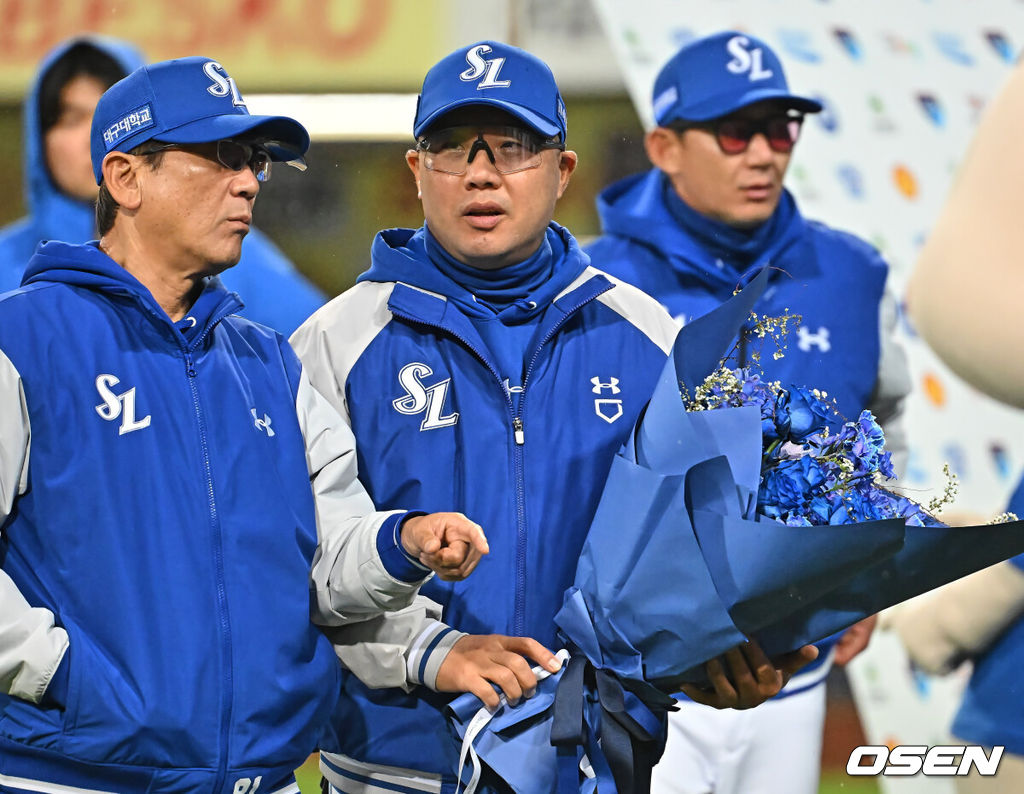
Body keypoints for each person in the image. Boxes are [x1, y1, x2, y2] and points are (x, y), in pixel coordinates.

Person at [0, 55, 545, 793]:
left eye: (254, 159)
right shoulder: (24, 340)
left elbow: (326, 563)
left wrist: (400, 543)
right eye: (222, 157)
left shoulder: (267, 364)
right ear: (126, 178)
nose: (250, 180)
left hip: (262, 778)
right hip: (73, 777)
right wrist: (57, 670)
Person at [291, 40, 816, 794]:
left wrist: (720, 654)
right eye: (451, 147)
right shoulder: (334, 343)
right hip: (394, 765)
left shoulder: (649, 336)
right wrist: (433, 651)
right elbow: (304, 565)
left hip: (591, 760)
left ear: (561, 172)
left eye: (512, 148)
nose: (480, 171)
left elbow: (695, 550)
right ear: (417, 172)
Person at [585, 31, 912, 794]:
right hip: (641, 673)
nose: (763, 153)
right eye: (735, 133)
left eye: (780, 129)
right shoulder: (593, 279)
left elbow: (882, 421)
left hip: (793, 659)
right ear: (664, 147)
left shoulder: (851, 272)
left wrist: (871, 562)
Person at [0, 34, 325, 336]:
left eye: (109, 117)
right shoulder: (7, 269)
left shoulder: (239, 253)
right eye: (72, 118)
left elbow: (320, 352)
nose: (94, 137)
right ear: (38, 141)